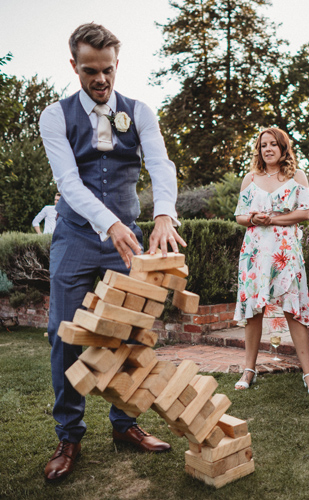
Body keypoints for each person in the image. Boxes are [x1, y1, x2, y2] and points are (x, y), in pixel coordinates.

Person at [39, 23, 186, 482]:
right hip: (77, 238)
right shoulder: (54, 116)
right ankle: (70, 434)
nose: (100, 80)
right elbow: (68, 183)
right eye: (90, 71)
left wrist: (164, 214)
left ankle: (125, 424)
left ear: (116, 65)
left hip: (128, 238)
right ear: (74, 67)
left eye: (107, 70)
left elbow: (160, 164)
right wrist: (110, 224)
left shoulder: (139, 111)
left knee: (131, 335)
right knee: (64, 335)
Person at [233, 128, 309, 396]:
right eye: (263, 145)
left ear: (284, 148)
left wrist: (271, 219)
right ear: (258, 150)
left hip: (285, 249)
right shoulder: (250, 178)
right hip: (255, 251)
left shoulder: (296, 176)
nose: (268, 149)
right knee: (253, 310)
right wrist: (253, 219)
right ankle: (249, 370)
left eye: (273, 144)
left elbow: (304, 213)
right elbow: (239, 216)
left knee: (292, 308)